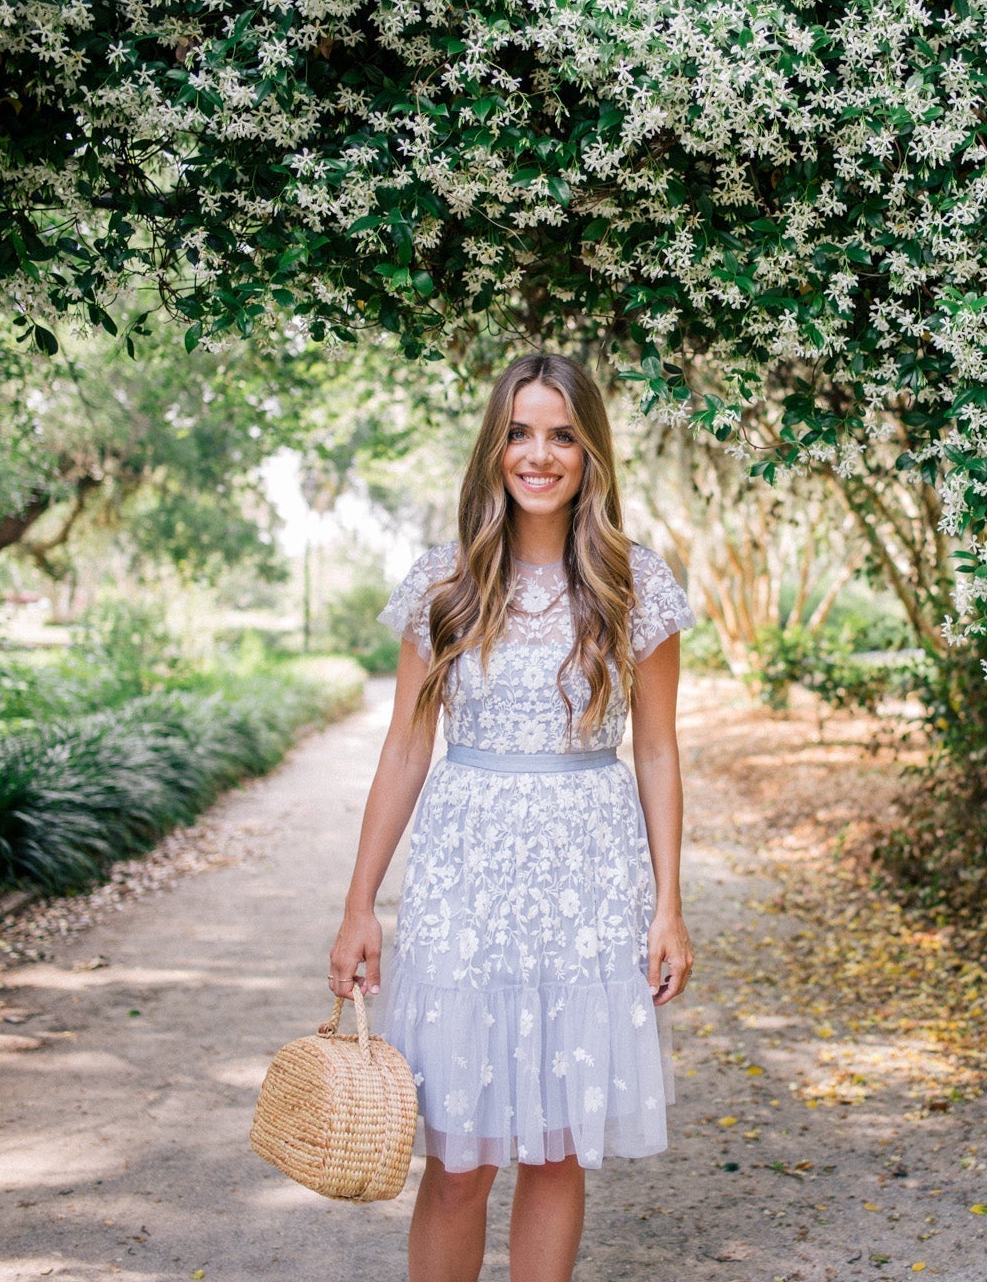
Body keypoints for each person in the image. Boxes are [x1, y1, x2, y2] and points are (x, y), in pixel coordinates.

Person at [327, 352, 697, 1282]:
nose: (541, 454)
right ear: (496, 448)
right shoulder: (444, 585)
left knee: (556, 1147)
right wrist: (360, 903)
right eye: (521, 433)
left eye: (563, 434)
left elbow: (656, 751)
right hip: (466, 882)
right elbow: (407, 748)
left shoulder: (635, 585)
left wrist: (668, 905)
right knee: (458, 1159)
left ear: (591, 454)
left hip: (587, 881)